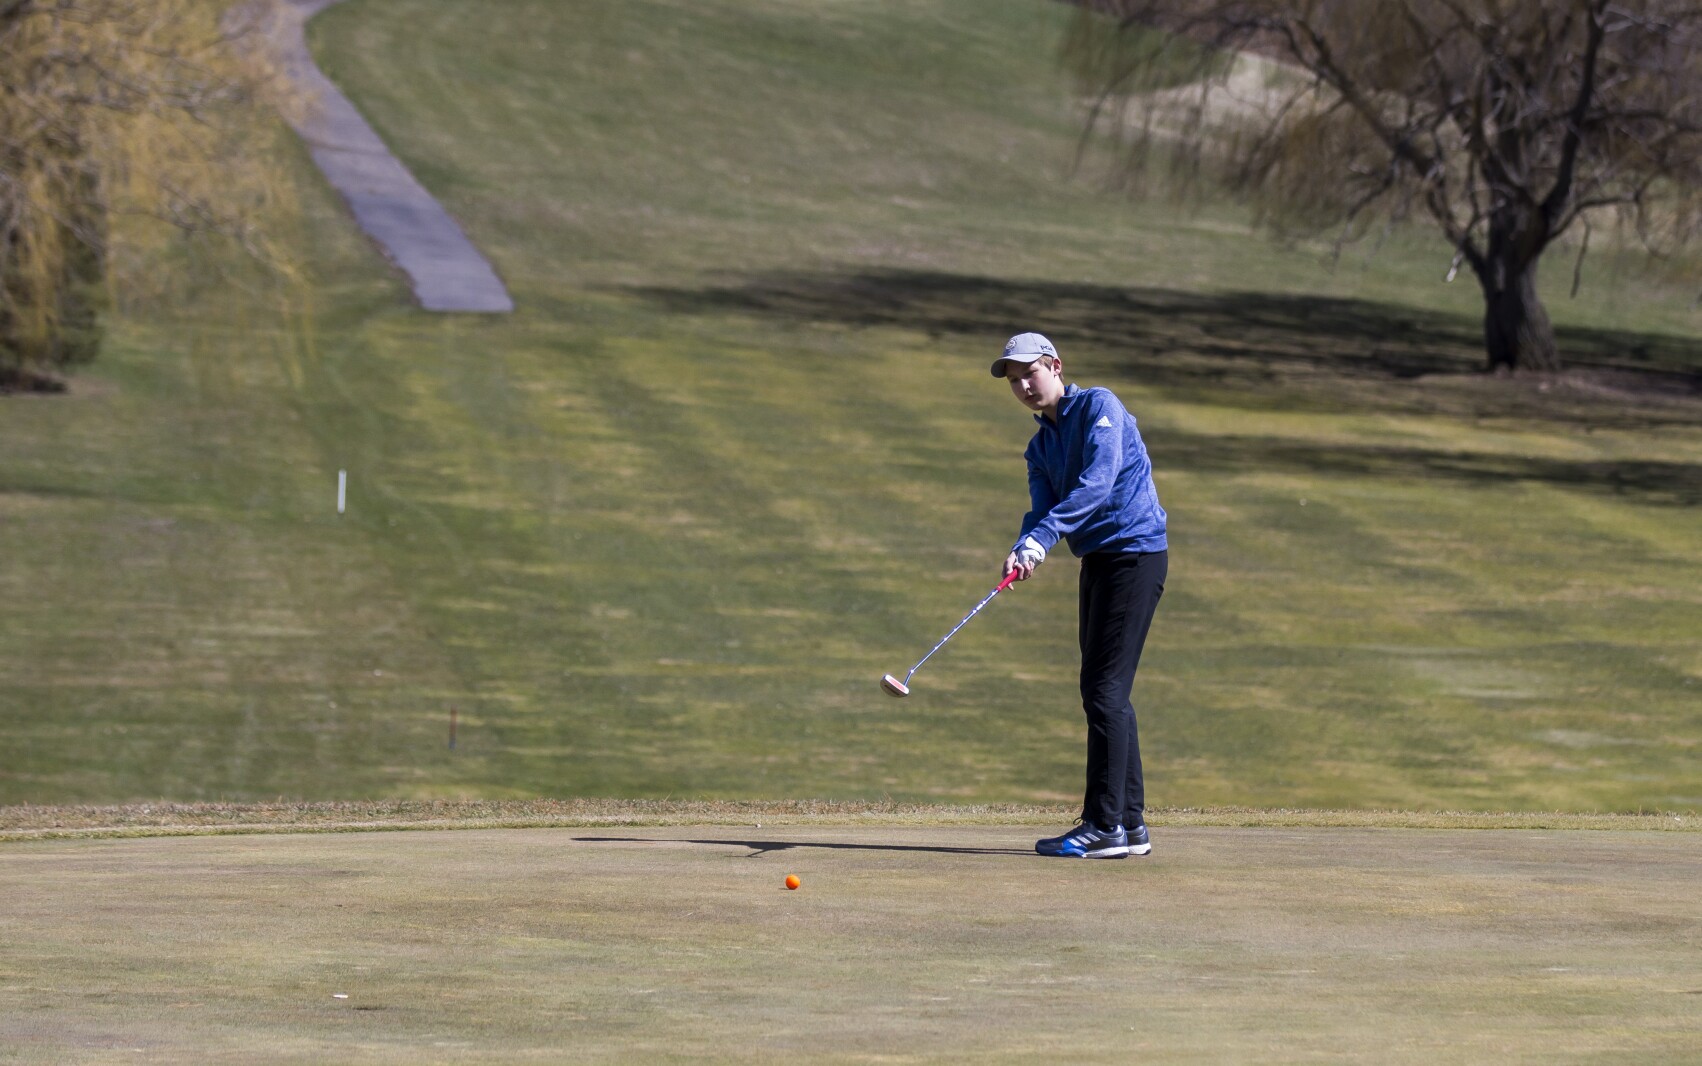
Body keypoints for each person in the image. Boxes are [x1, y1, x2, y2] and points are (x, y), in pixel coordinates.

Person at [992, 332, 1168, 859]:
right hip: (1097, 561)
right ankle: (1130, 825)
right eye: (1014, 379)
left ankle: (1104, 825)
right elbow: (1043, 507)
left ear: (1056, 367)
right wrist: (1025, 544)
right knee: (1105, 691)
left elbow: (1098, 481)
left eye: (1031, 373)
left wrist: (1044, 538)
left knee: (1104, 691)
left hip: (1135, 556)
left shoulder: (1100, 407)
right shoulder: (1040, 446)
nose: (1023, 385)